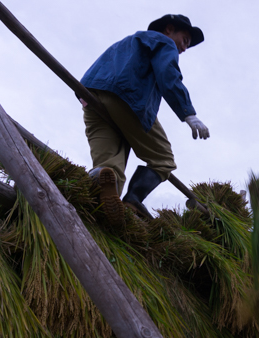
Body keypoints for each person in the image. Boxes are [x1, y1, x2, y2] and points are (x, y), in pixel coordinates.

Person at [80, 14, 210, 224]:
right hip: (127, 99)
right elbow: (168, 74)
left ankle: (101, 196)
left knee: (110, 171)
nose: (185, 48)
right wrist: (189, 113)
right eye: (185, 40)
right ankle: (132, 201)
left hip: (93, 98)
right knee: (163, 159)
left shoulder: (125, 43)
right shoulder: (162, 41)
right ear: (169, 29)